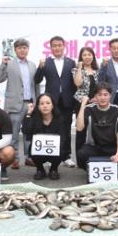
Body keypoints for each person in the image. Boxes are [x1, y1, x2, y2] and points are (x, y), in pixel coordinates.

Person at [0, 38, 39, 169]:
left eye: (24, 47)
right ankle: (14, 158)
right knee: (13, 134)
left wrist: (36, 101)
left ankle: (28, 157)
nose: (22, 50)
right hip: (14, 104)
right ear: (15, 50)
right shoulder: (9, 64)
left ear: (28, 49)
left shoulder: (32, 65)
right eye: (19, 48)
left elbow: (35, 85)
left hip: (30, 104)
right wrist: (3, 64)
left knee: (29, 133)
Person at [34, 36, 77, 167]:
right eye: (54, 45)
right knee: (49, 128)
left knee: (66, 128)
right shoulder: (46, 62)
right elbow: (36, 80)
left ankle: (66, 156)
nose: (57, 48)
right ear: (51, 47)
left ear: (64, 46)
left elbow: (75, 82)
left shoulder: (71, 62)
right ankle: (48, 156)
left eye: (59, 45)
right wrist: (40, 67)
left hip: (67, 100)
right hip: (50, 101)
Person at [75, 82, 118, 172]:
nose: (102, 98)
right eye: (99, 95)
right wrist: (83, 105)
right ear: (95, 96)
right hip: (94, 147)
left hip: (111, 147)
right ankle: (92, 171)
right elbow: (79, 128)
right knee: (81, 154)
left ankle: (114, 170)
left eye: (105, 95)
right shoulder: (89, 109)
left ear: (110, 96)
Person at [23, 93, 68, 180]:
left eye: (48, 103)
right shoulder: (34, 118)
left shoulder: (59, 118)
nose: (45, 106)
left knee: (63, 148)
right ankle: (40, 169)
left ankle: (54, 169)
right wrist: (29, 113)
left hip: (55, 150)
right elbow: (26, 131)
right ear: (38, 106)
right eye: (42, 103)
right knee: (31, 147)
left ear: (53, 105)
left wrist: (57, 145)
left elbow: (63, 137)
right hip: (39, 151)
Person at [72, 46, 99, 157]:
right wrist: (79, 67)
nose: (87, 57)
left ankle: (94, 156)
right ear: (81, 57)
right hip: (81, 103)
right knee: (81, 130)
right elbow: (78, 83)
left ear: (93, 56)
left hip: (95, 103)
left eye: (89, 55)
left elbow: (100, 87)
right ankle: (80, 157)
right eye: (84, 55)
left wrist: (96, 97)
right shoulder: (76, 70)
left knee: (95, 130)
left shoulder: (97, 70)